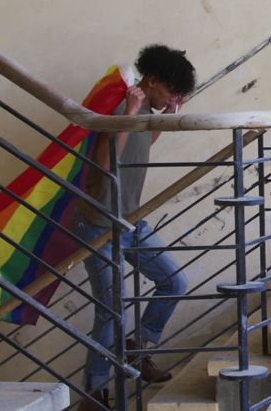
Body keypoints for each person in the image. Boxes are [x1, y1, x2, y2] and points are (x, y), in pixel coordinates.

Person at [75, 44, 195, 409]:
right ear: (153, 80)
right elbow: (103, 163)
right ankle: (94, 394)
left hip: (131, 219)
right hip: (98, 224)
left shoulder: (144, 109)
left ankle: (136, 349)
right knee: (110, 313)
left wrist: (165, 119)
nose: (173, 97)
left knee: (174, 281)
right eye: (171, 91)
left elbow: (140, 143)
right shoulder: (125, 107)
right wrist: (127, 114)